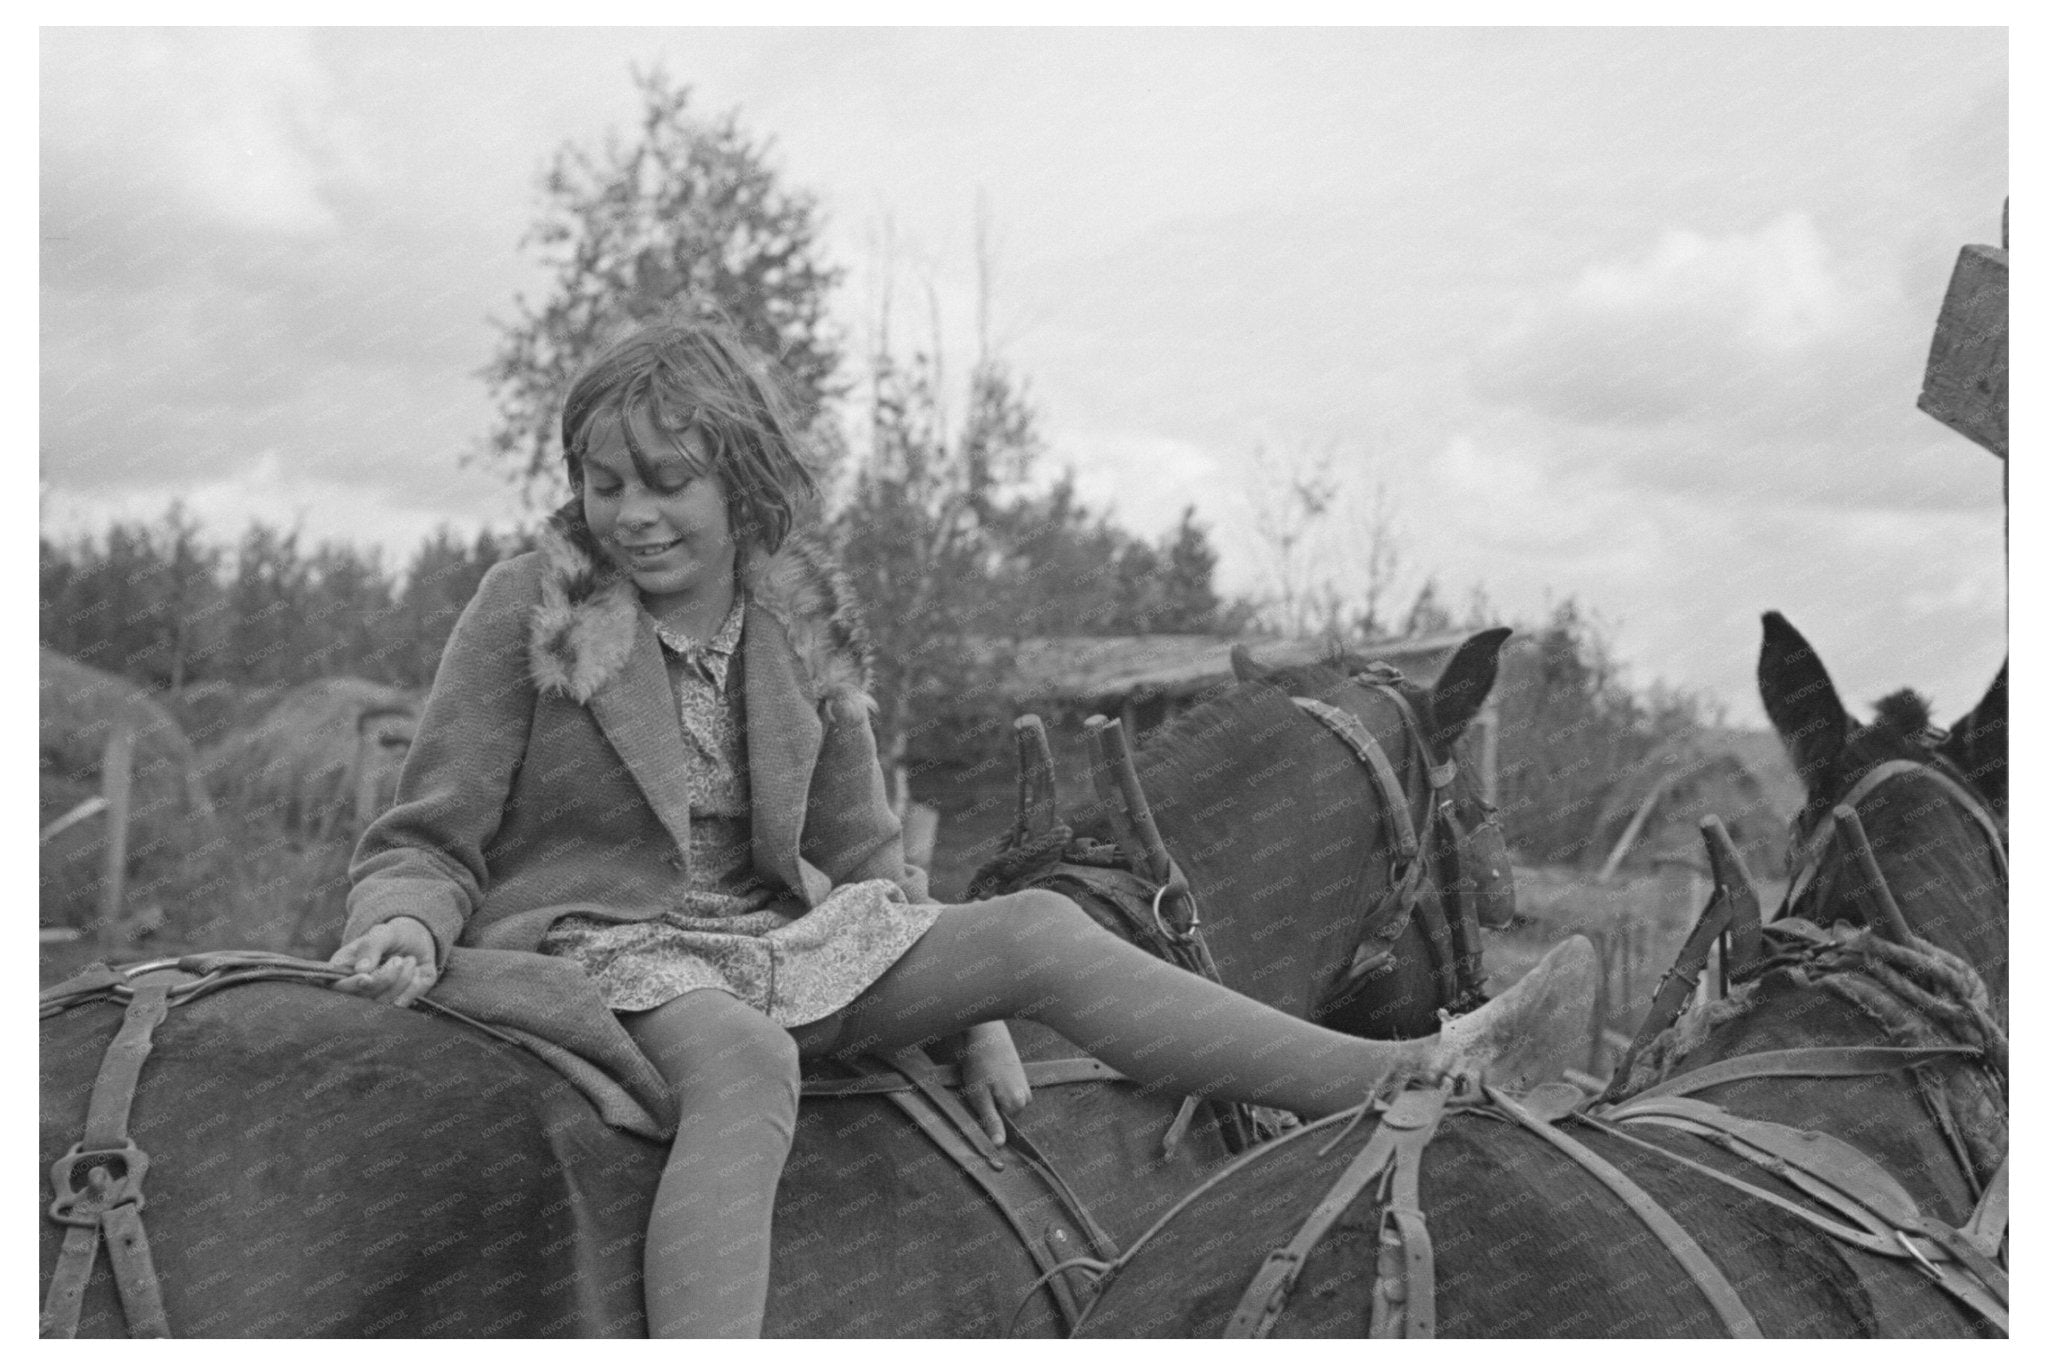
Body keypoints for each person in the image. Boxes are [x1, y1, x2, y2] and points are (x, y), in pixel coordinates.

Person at [330, 316, 1593, 1338]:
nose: (631, 512)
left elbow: (868, 856)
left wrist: (965, 1005)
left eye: (667, 482)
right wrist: (399, 918)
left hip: (776, 945)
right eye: (603, 483)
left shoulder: (797, 623)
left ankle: (1414, 1077)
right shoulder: (530, 607)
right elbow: (429, 829)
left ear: (745, 486)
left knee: (1037, 930)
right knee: (743, 1064)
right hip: (597, 946)